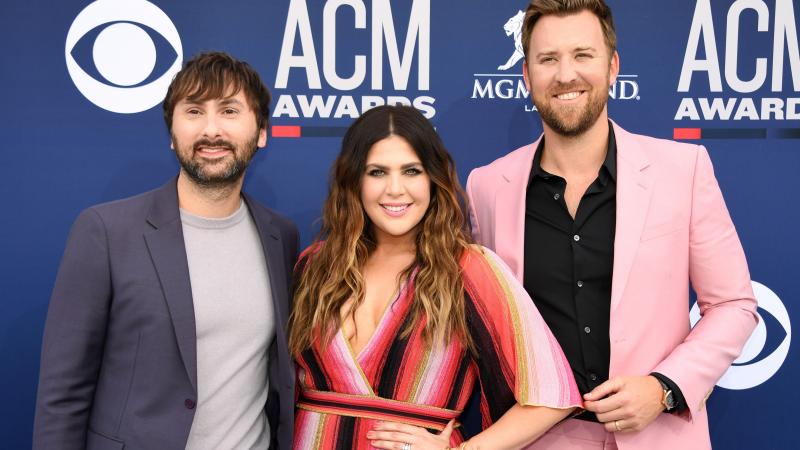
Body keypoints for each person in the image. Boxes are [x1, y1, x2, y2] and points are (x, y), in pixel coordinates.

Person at [466, 1, 758, 449]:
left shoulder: (683, 170)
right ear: (526, 75)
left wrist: (663, 388)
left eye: (583, 55)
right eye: (548, 59)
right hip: (536, 440)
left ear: (612, 65)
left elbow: (734, 305)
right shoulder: (487, 187)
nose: (566, 75)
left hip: (656, 435)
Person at [33, 52, 298, 449]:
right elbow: (62, 396)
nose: (212, 130)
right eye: (194, 111)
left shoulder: (282, 237)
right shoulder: (106, 231)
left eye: (229, 111)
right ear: (172, 134)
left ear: (261, 131)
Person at [288, 105, 581, 450]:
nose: (395, 189)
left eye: (411, 171)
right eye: (377, 172)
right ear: (353, 180)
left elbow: (553, 394)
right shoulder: (314, 266)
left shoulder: (467, 268)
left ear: (433, 178)